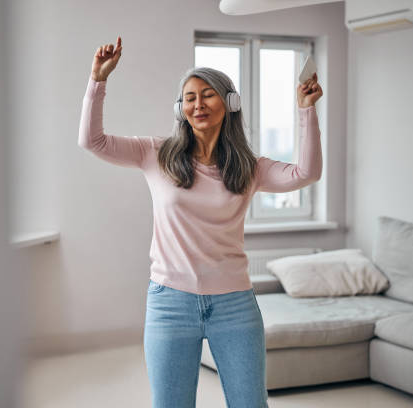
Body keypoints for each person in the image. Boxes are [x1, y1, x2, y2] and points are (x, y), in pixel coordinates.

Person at [79, 36, 323, 408]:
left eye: (207, 94)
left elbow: (307, 171)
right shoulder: (155, 153)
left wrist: (306, 110)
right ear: (181, 108)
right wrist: (98, 80)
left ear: (230, 103)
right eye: (189, 97)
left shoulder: (250, 168)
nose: (198, 104)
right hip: (169, 303)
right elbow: (92, 141)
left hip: (235, 304)